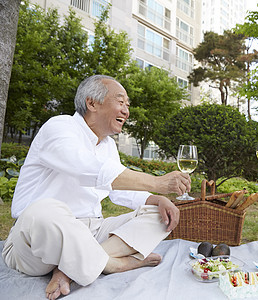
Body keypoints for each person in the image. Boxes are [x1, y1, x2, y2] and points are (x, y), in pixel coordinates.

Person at [1, 75, 191, 300]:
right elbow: (85, 168)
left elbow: (119, 189)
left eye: (127, 105)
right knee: (41, 211)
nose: (126, 111)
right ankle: (112, 264)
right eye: (121, 102)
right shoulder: (59, 127)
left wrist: (157, 199)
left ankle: (68, 270)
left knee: (159, 216)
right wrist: (157, 182)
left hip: (91, 233)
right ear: (92, 103)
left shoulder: (108, 146)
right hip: (38, 240)